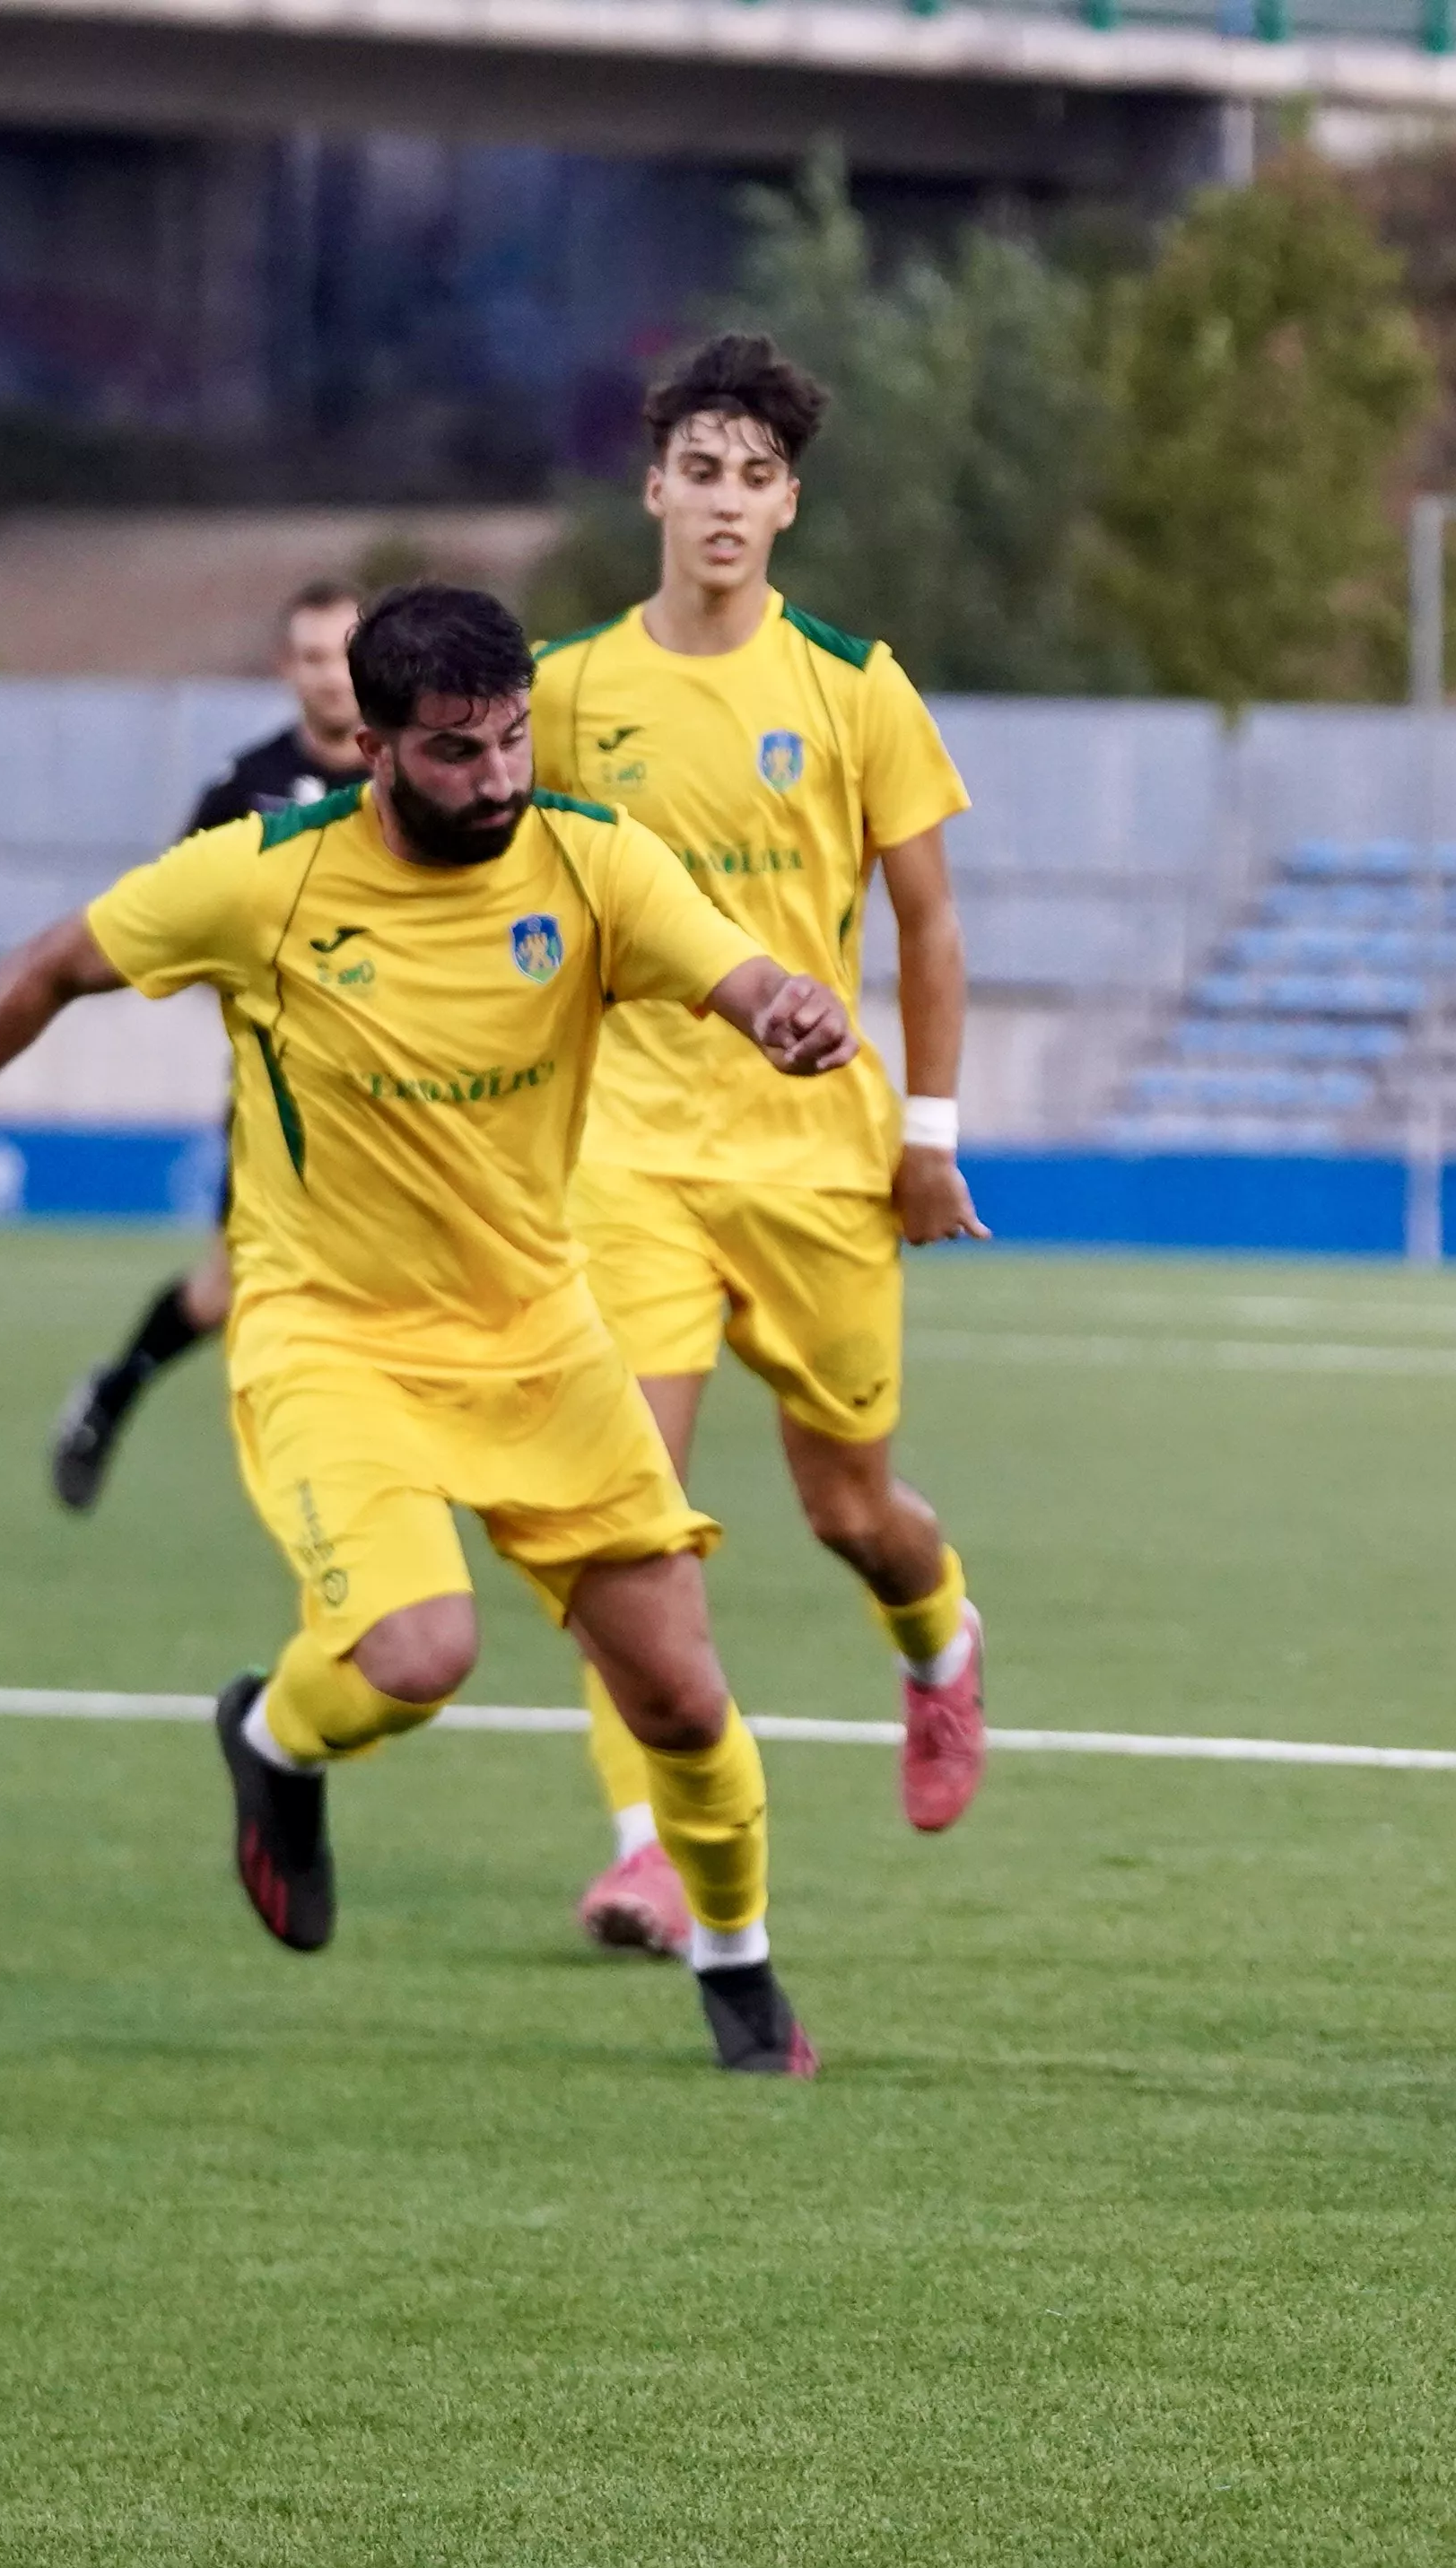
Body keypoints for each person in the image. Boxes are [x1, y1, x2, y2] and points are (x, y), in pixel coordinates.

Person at [0, 585, 859, 2074]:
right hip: (332, 1337)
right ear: (370, 743)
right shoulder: (262, 880)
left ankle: (740, 1968)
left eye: (511, 740)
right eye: (454, 751)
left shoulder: (587, 856)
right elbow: (50, 964)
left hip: (540, 1338)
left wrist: (782, 1011)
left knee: (683, 1692)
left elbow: (737, 967)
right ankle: (276, 1742)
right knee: (420, 1650)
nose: (497, 777)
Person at [527, 333, 988, 1966]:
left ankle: (936, 1643)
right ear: (652, 488)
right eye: (698, 471)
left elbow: (927, 925)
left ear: (788, 505)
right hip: (628, 1156)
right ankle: (649, 1845)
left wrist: (928, 1134)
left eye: (755, 477)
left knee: (850, 1506)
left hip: (816, 1160)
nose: (724, 502)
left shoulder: (852, 684)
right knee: (615, 1513)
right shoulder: (568, 692)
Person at [51, 580, 370, 1510]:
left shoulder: (421, 777)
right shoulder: (241, 792)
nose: (333, 676)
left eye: (347, 653)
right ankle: (118, 1389)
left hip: (420, 1091)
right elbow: (175, 923)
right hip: (285, 1098)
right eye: (313, 657)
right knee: (232, 1290)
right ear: (286, 669)